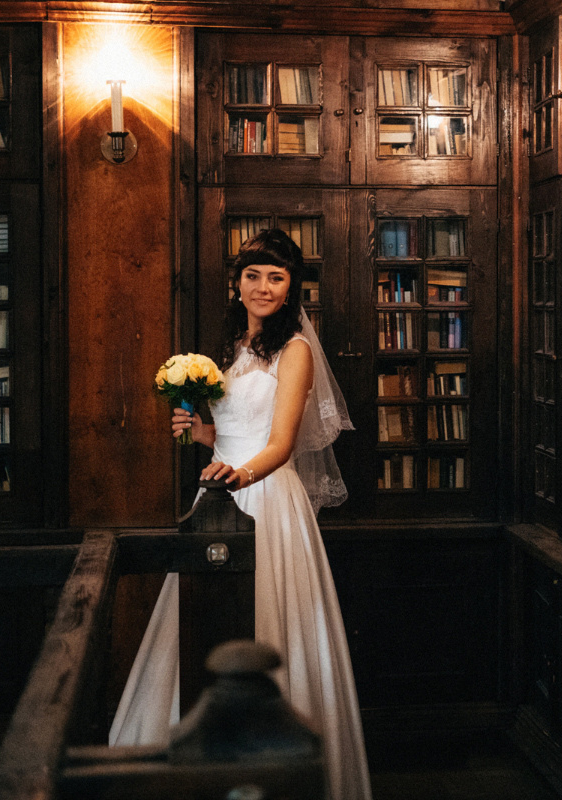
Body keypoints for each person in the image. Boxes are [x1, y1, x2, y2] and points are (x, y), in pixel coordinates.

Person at [110, 229, 372, 800]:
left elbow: (278, 444)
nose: (262, 287)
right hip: (220, 495)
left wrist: (239, 476)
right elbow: (231, 433)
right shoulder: (235, 348)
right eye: (253, 275)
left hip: (267, 500)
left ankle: (269, 772)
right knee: (203, 622)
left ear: (290, 289)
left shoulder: (296, 350)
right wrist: (200, 432)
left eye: (275, 278)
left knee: (269, 621)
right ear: (238, 282)